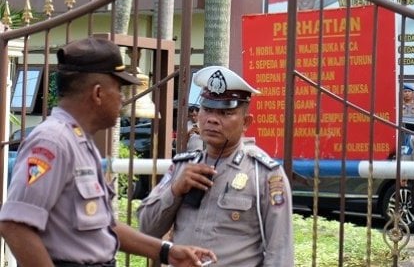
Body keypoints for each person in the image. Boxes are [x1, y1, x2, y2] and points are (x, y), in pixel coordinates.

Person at [0, 37, 216, 267]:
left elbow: (105, 227)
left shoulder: (80, 142)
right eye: (119, 88)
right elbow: (15, 226)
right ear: (98, 93)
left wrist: (167, 252)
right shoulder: (53, 142)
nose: (123, 98)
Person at [138, 65, 294, 266]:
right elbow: (147, 229)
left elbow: (280, 253)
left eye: (225, 113)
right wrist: (175, 190)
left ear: (246, 122)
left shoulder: (263, 174)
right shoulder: (182, 167)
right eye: (207, 109)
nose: (212, 119)